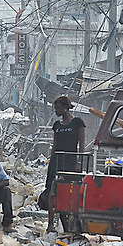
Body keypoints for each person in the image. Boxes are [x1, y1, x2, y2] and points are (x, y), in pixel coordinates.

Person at [47, 95, 85, 232]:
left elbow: (82, 144)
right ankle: (50, 224)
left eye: (57, 108)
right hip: (57, 162)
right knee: (52, 191)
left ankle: (73, 223)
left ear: (64, 108)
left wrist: (79, 161)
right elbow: (54, 144)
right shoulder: (56, 125)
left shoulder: (77, 123)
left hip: (70, 161)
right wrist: (51, 163)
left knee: (71, 192)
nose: (55, 111)